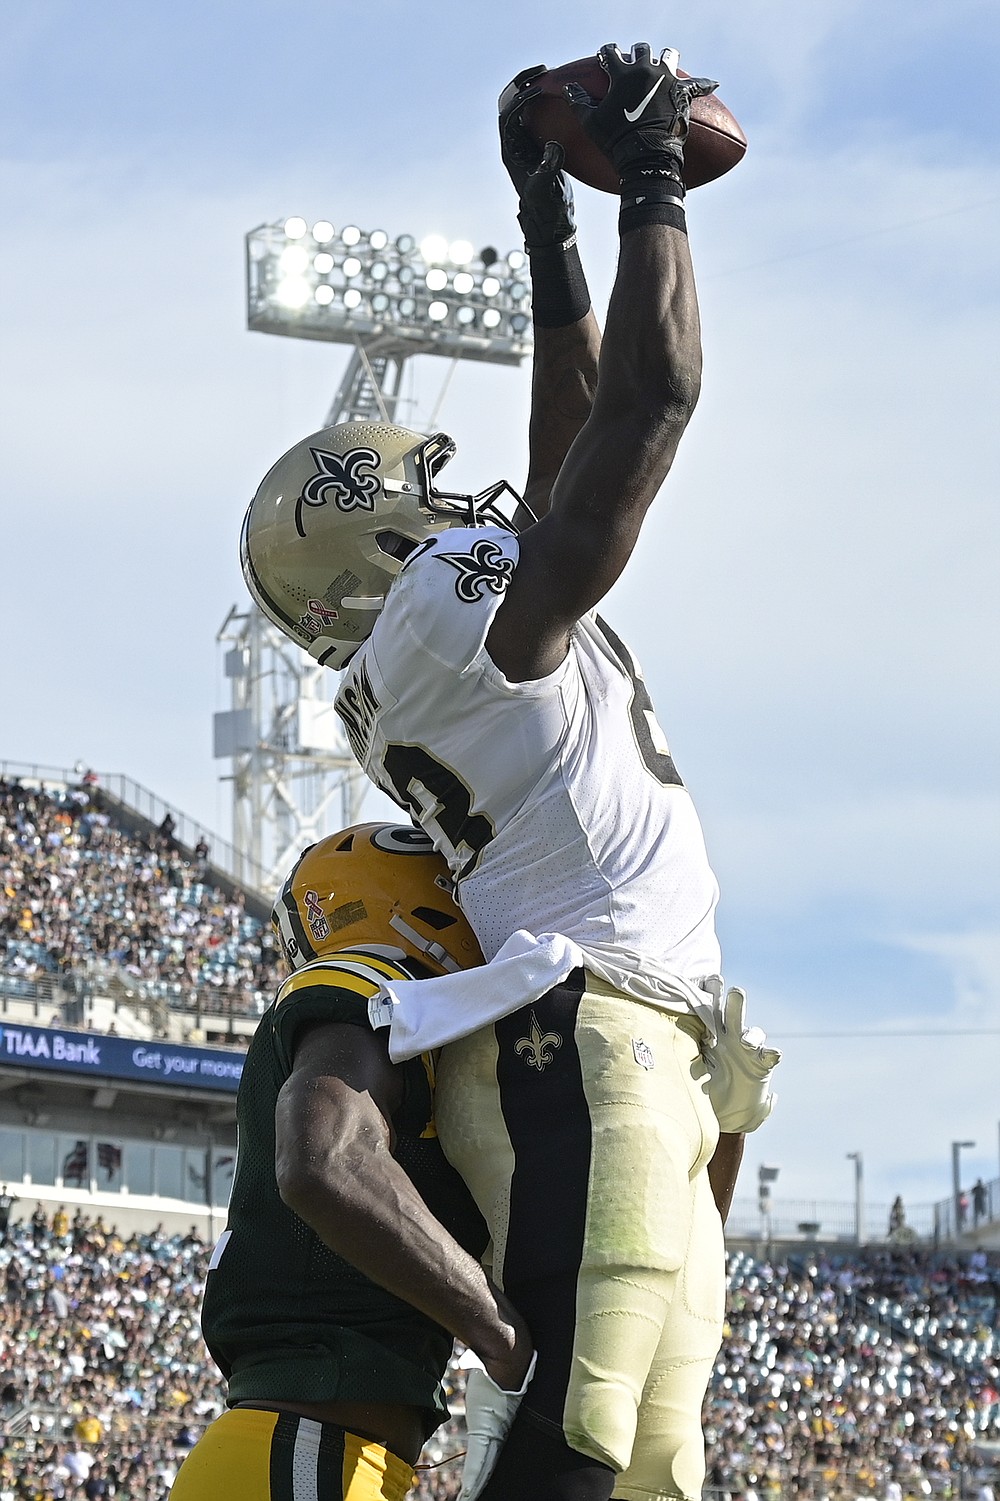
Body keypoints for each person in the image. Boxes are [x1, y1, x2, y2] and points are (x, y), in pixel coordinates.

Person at [240, 43, 779, 1501]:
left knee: (653, 1469)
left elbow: (580, 437)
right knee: (574, 1453)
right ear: (376, 552)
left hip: (639, 1028)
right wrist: (653, 177)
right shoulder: (444, 618)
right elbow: (649, 406)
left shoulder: (430, 642)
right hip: (581, 1040)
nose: (463, 505)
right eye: (419, 501)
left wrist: (547, 221)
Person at [171, 822, 534, 1501]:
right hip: (306, 1450)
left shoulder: (430, 1049)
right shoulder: (370, 980)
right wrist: (505, 1341)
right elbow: (326, 1160)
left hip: (318, 1453)